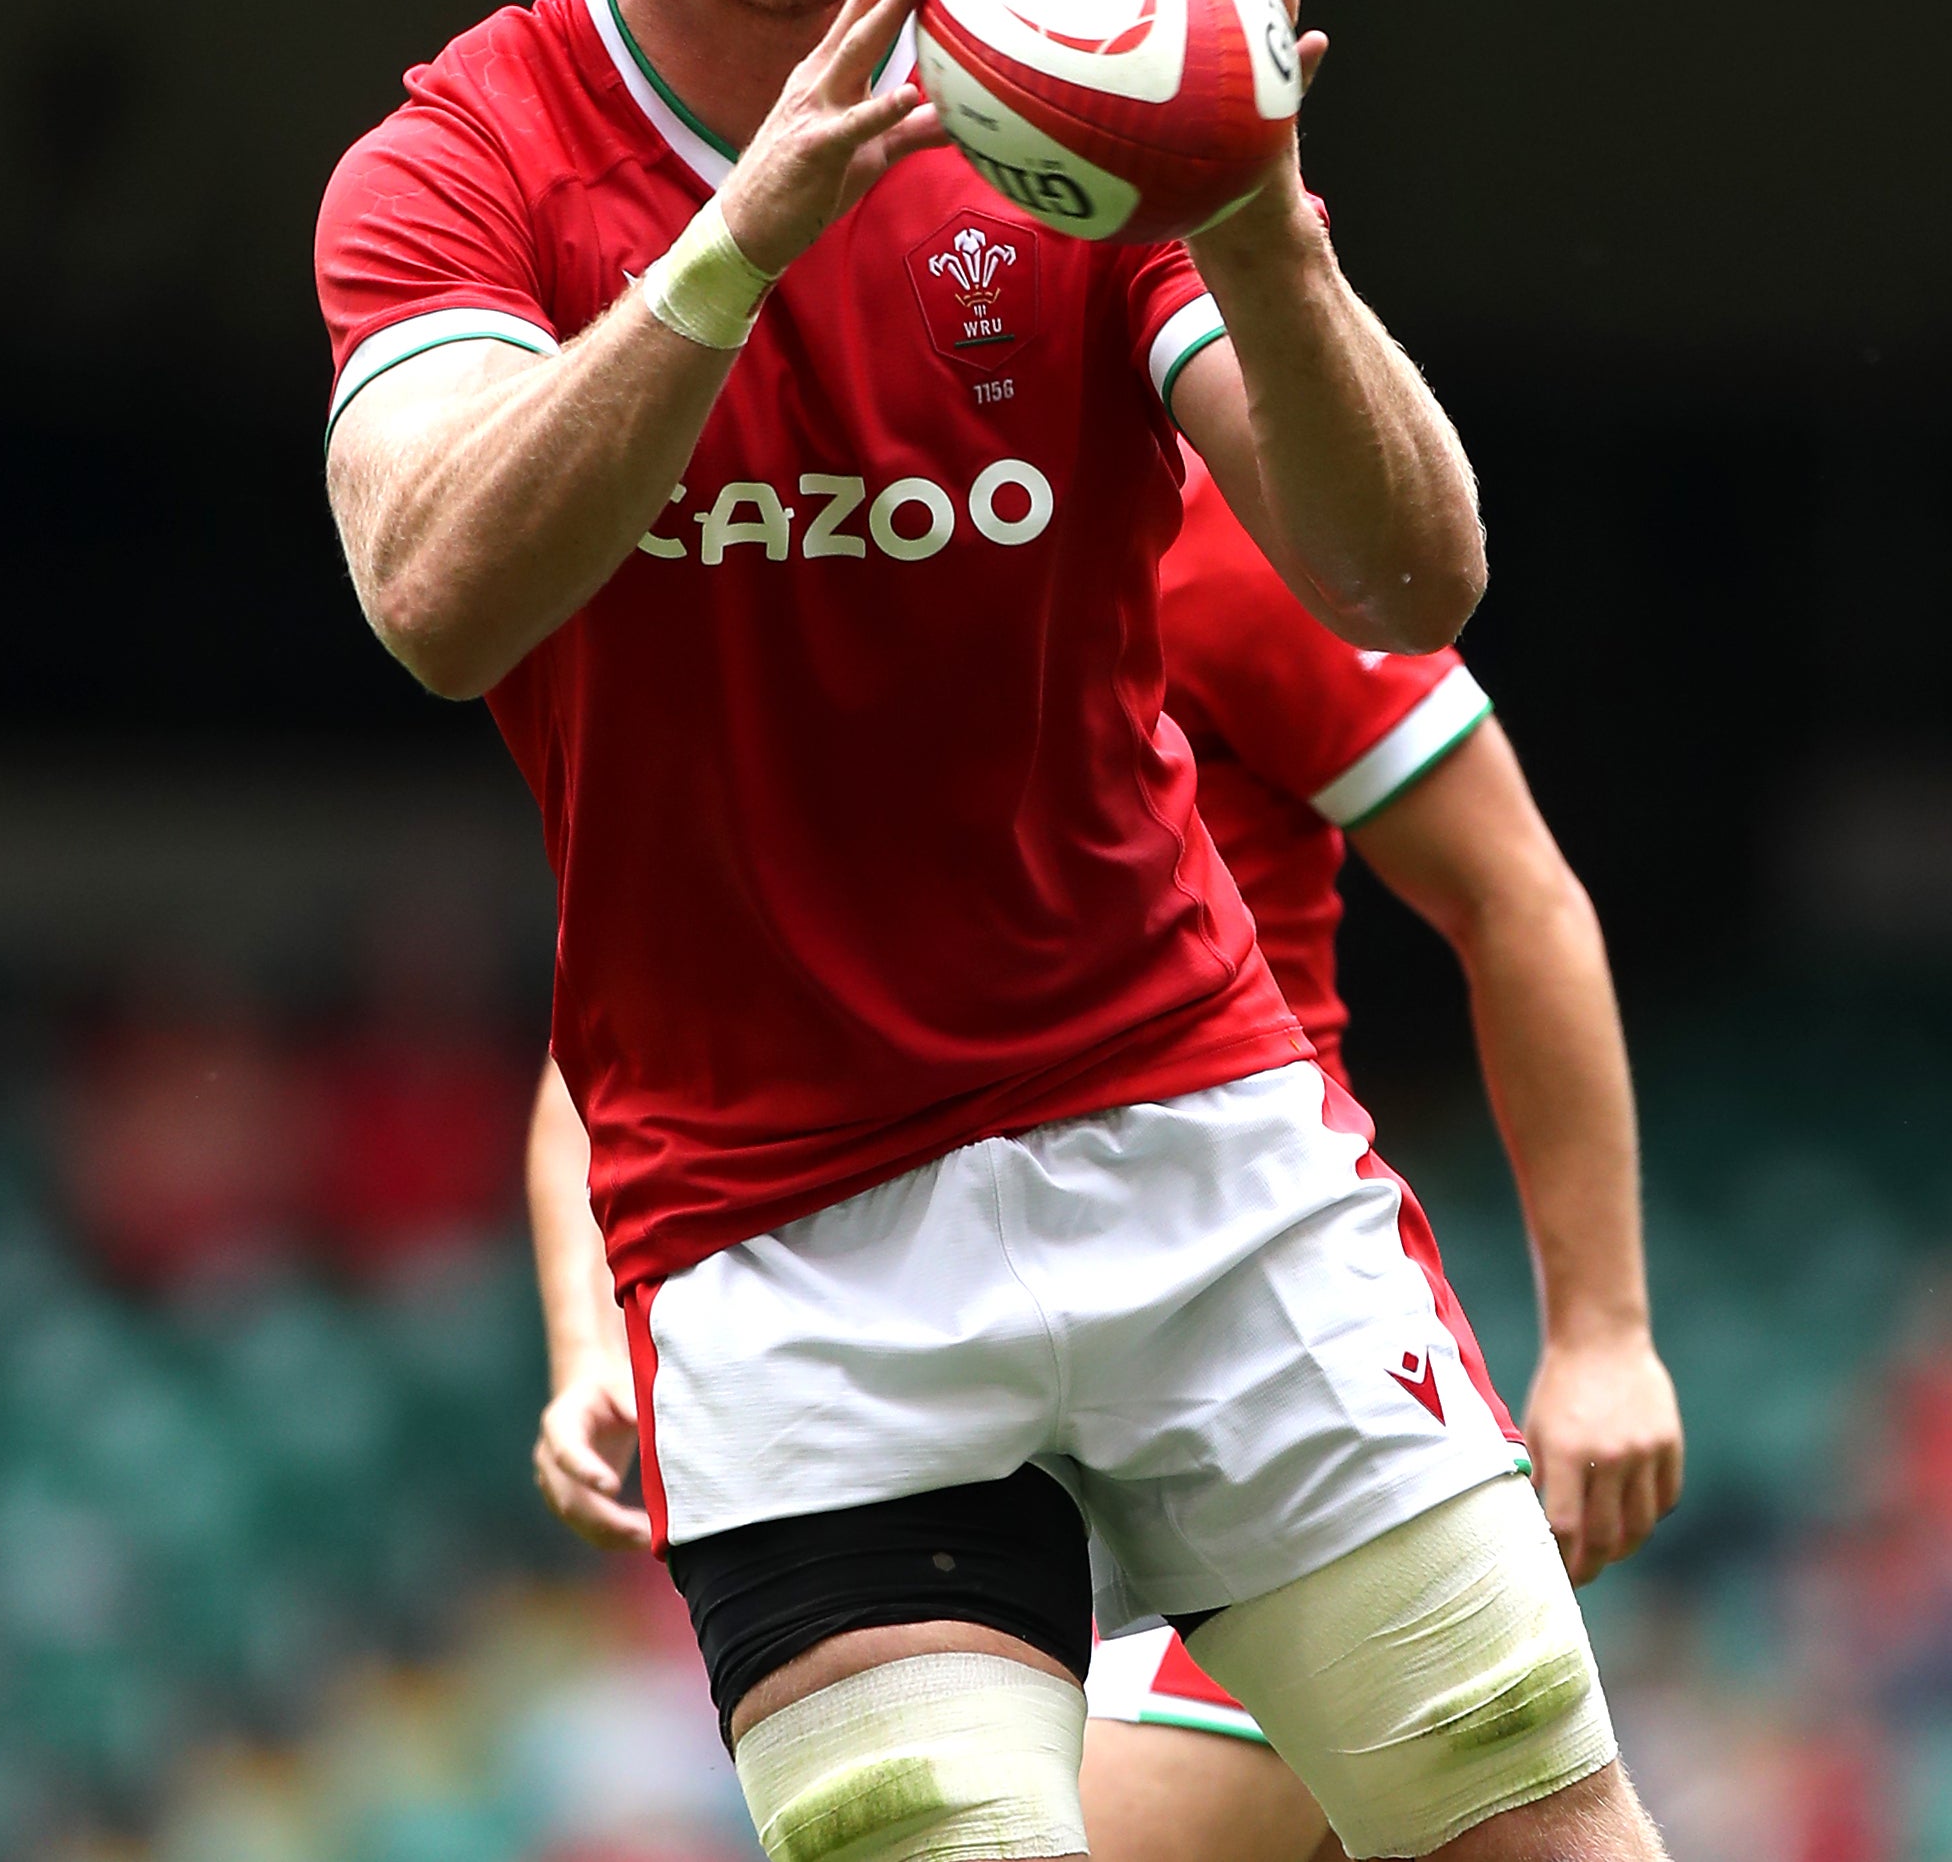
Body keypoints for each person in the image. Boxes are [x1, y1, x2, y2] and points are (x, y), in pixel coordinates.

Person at [316, 0, 1664, 1862]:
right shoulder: (463, 164)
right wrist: (738, 245)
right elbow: (436, 592)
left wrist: (1255, 219)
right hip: (779, 1231)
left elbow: (1407, 575)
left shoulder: (1067, 80)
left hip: (1193, 1133)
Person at [527, 446, 1685, 1862]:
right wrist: (589, 1339)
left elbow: (1515, 891)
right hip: (889, 1357)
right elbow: (631, 1015)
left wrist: (1607, 1328)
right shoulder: (781, 564)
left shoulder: (1217, 527)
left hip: (1228, 1315)